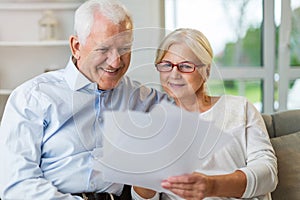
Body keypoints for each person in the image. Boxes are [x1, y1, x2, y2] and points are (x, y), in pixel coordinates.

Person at [0, 0, 168, 199]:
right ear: (76, 46)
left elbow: (198, 110)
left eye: (124, 49)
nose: (115, 62)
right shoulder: (33, 98)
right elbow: (17, 186)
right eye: (103, 49)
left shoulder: (137, 95)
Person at [135, 28, 278, 200]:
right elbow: (141, 197)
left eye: (185, 66)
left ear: (207, 71)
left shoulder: (240, 109)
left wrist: (212, 186)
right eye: (166, 65)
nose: (174, 74)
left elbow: (268, 174)